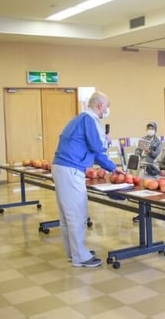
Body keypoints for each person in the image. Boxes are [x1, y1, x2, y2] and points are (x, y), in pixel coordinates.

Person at [52, 91, 123, 268]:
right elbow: (98, 149)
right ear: (100, 106)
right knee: (77, 213)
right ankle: (80, 257)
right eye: (108, 106)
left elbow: (93, 151)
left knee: (67, 214)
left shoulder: (78, 118)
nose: (108, 109)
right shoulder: (90, 120)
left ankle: (74, 252)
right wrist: (114, 166)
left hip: (61, 167)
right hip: (71, 169)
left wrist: (111, 167)